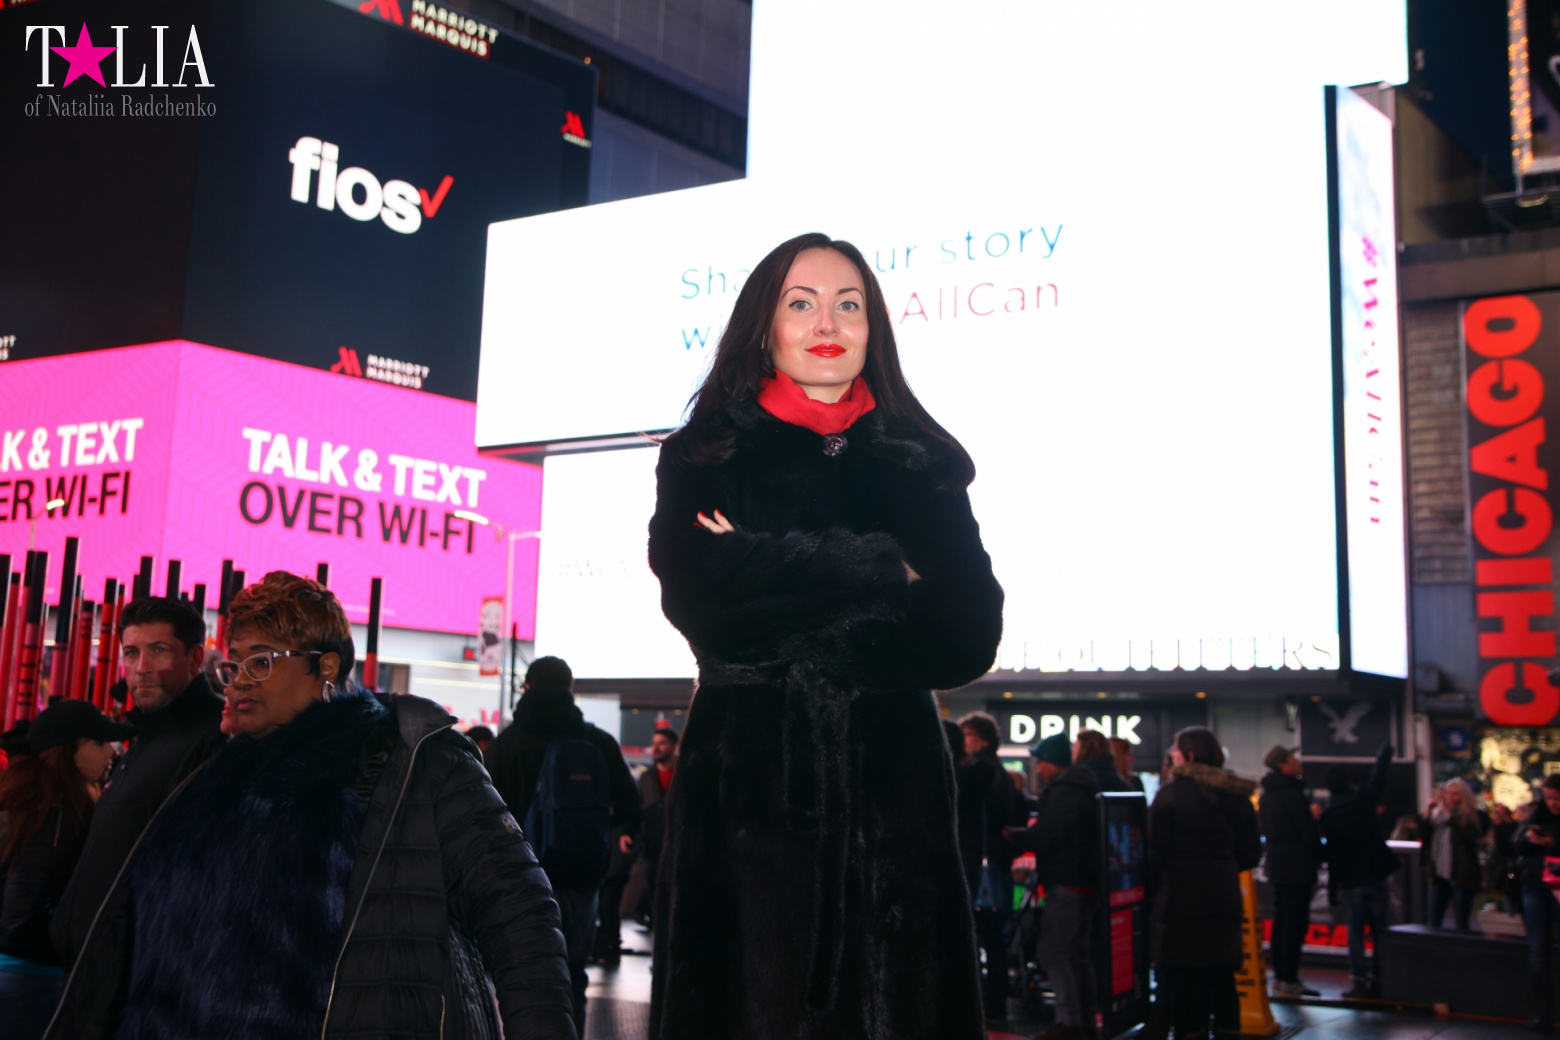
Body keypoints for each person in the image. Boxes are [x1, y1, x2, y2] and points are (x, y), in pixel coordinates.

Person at [647, 233, 1004, 1040]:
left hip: (898, 795)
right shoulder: (706, 453)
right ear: (764, 324)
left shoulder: (923, 464)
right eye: (800, 302)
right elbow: (705, 609)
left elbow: (966, 634)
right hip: (747, 791)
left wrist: (763, 565)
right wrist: (884, 571)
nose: (826, 321)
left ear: (875, 325)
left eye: (849, 303)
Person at [45, 571, 576, 1040]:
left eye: (261, 662)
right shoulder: (214, 778)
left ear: (324, 668)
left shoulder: (413, 758)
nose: (239, 682)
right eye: (232, 666)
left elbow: (518, 909)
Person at [51, 596, 225, 966]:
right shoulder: (148, 736)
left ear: (194, 658)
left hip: (135, 978)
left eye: (158, 650)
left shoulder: (212, 739)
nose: (140, 667)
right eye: (131, 653)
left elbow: (196, 877)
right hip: (93, 972)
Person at [484, 656, 641, 1033]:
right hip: (581, 878)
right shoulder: (596, 742)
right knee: (572, 976)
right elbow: (631, 806)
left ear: (528, 688)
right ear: (570, 690)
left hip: (521, 879)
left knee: (522, 978)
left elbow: (483, 816)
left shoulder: (507, 745)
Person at [0, 701, 129, 1040]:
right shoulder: (54, 813)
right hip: (29, 976)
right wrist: (72, 936)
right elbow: (19, 913)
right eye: (99, 743)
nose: (111, 754)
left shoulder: (42, 800)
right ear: (70, 750)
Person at [1006, 731, 1126, 1040]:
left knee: (1055, 951)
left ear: (1051, 762)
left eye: (1041, 762)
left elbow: (1049, 835)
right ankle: (1082, 1020)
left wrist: (1014, 837)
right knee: (1076, 952)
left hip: (1070, 882)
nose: (1039, 769)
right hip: (1087, 882)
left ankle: (1071, 1023)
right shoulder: (1089, 785)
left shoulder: (1066, 790)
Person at [1146, 726, 1260, 1040]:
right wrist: (1222, 868)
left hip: (1180, 900)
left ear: (1191, 755)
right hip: (1224, 896)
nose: (1171, 753)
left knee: (1185, 976)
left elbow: (1154, 852)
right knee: (1223, 975)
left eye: (1176, 749)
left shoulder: (1170, 795)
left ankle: (1191, 1032)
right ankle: (1228, 1031)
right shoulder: (1237, 796)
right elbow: (1251, 852)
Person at [1319, 743, 1398, 999]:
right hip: (1375, 872)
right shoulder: (1363, 800)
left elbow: (1334, 856)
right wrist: (1383, 757)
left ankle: (1359, 979)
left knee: (1354, 932)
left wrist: (1332, 889)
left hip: (1351, 880)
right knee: (1380, 928)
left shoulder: (1330, 816)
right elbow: (1378, 781)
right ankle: (1381, 973)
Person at [958, 712, 1022, 1024]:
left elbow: (994, 817)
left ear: (981, 739)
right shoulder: (1002, 773)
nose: (962, 740)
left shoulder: (983, 773)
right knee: (993, 937)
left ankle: (990, 1004)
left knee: (985, 935)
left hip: (981, 866)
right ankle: (995, 1002)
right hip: (996, 864)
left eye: (967, 735)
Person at [1259, 744, 1322, 998]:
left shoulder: (1268, 796)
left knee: (1281, 922)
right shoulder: (1293, 795)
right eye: (1292, 758)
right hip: (1298, 868)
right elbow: (1306, 833)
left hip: (1278, 867)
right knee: (1295, 924)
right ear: (1283, 764)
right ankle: (1289, 978)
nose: (1298, 761)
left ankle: (1280, 977)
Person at [1505, 774, 1560, 1031]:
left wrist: (1554, 842)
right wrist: (1530, 838)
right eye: (1549, 798)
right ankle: (1543, 1013)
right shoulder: (1537, 815)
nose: (1553, 803)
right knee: (1538, 951)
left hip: (1554, 886)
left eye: (1557, 798)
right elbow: (1515, 846)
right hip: (1536, 886)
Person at [628, 725, 679, 933]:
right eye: (654, 743)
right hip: (651, 847)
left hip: (675, 847)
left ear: (674, 747)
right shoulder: (647, 778)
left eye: (662, 743)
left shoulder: (683, 776)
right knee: (654, 899)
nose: (656, 748)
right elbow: (637, 809)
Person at [1419, 778, 1487, 932]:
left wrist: (1449, 815)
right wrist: (1428, 811)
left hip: (1461, 874)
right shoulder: (1437, 815)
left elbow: (1466, 836)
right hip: (1439, 872)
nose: (1450, 797)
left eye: (1455, 794)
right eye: (1448, 793)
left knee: (1461, 921)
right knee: (1433, 919)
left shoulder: (1473, 816)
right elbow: (1422, 835)